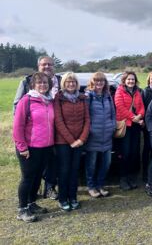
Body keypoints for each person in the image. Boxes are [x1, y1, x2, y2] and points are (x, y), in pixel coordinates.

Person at [14, 56, 61, 200]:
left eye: (50, 64)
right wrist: (21, 143)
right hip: (31, 139)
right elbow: (18, 114)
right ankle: (25, 205)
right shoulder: (26, 92)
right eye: (43, 64)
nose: (47, 67)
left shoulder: (55, 88)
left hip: (51, 139)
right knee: (29, 174)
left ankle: (42, 194)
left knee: (46, 169)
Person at [13, 72, 54, 222]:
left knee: (37, 177)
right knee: (27, 178)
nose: (43, 85)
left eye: (45, 82)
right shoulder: (27, 100)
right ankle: (22, 209)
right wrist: (22, 147)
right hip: (29, 147)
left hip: (46, 147)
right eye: (40, 83)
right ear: (33, 85)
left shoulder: (49, 101)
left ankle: (32, 203)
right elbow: (18, 126)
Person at [54, 72, 90, 211]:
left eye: (73, 82)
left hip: (79, 141)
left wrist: (82, 139)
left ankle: (73, 197)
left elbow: (87, 119)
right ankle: (63, 199)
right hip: (63, 142)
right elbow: (58, 121)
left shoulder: (82, 98)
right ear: (64, 83)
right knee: (64, 170)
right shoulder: (59, 98)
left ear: (77, 84)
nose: (71, 84)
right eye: (68, 82)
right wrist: (71, 140)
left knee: (74, 170)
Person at [85, 72, 116, 198]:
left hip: (107, 136)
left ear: (105, 82)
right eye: (97, 81)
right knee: (91, 164)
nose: (99, 83)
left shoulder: (108, 96)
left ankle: (100, 185)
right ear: (92, 82)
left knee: (106, 163)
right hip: (93, 137)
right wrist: (90, 130)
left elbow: (113, 114)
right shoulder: (88, 96)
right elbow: (85, 116)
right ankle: (91, 187)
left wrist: (113, 126)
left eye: (102, 81)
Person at [114, 71, 145, 190]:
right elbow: (120, 108)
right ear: (124, 81)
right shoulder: (119, 91)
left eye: (132, 79)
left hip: (135, 127)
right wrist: (134, 118)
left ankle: (131, 178)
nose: (131, 81)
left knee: (133, 153)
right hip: (125, 127)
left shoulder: (138, 92)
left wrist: (140, 116)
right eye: (129, 79)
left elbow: (142, 107)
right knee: (125, 154)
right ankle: (123, 178)